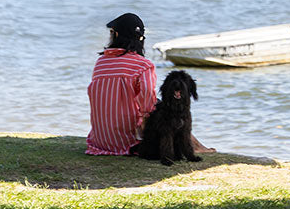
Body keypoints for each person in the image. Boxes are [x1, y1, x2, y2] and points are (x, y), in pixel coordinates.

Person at [85, 12, 215, 156]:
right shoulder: (143, 65)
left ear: (116, 35)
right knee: (163, 107)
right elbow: (148, 100)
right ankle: (194, 146)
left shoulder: (101, 62)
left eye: (111, 32)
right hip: (128, 142)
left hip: (100, 141)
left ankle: (193, 145)